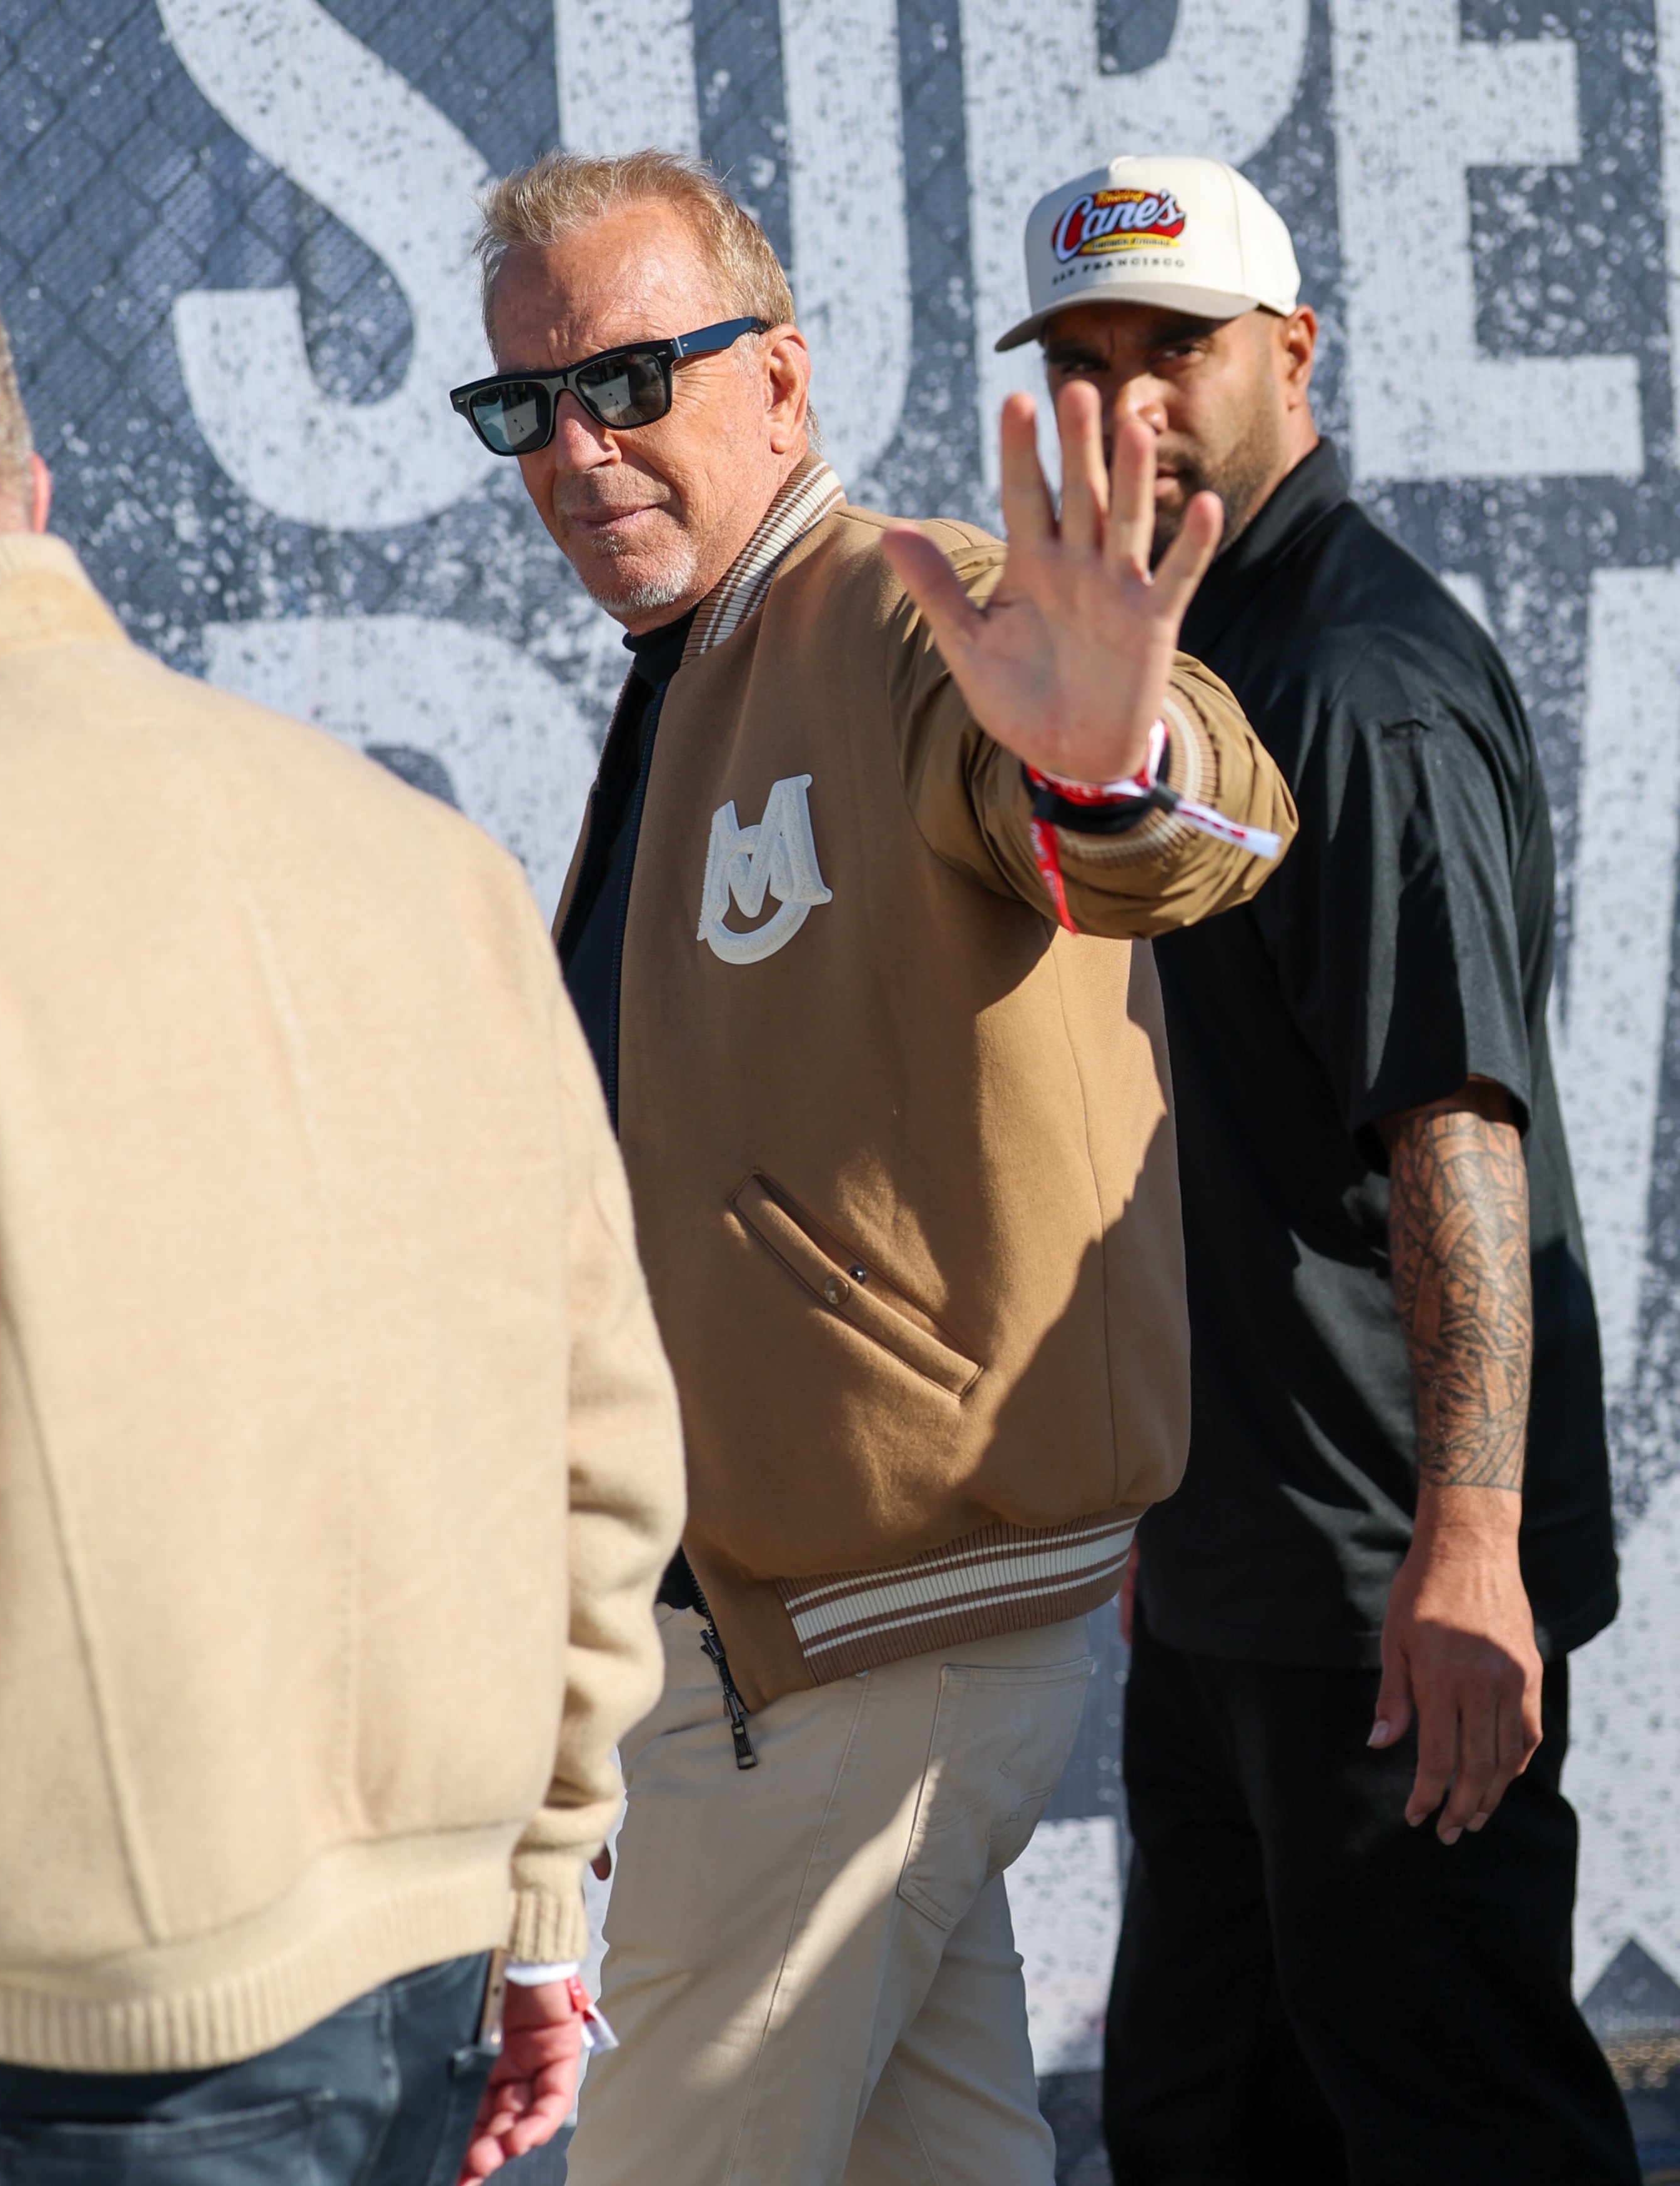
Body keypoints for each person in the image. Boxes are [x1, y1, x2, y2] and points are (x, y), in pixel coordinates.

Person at [447, 149, 1295, 2186]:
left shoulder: (907, 614)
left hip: (865, 1637)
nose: (578, 449)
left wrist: (1113, 760)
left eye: (633, 378)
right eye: (523, 406)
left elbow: (1182, 814)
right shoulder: (701, 671)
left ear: (784, 386)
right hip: (807, 1635)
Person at [0, 249, 686, 2186]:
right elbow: (600, 1439)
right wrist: (536, 1895)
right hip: (433, 1974)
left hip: (43, 2035)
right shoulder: (418, 857)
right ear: (29, 499)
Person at [998, 154, 1638, 2182]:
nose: (1133, 405)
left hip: (1383, 1578)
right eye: (1086, 362)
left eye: (1175, 348)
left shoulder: (1354, 680)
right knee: (1207, 2120)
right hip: (1227, 1566)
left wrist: (1465, 1545)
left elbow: (1454, 1132)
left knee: (1465, 2125)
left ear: (1292, 349)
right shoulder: (1173, 669)